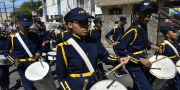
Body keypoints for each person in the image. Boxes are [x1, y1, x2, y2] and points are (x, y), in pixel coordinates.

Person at [56, 7, 129, 90]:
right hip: (75, 86)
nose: (85, 25)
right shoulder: (64, 47)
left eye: (86, 22)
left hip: (95, 83)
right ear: (70, 25)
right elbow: (62, 77)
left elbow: (105, 56)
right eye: (81, 23)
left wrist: (118, 59)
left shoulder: (94, 41)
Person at [115, 1, 161, 90]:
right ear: (137, 14)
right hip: (134, 64)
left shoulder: (143, 25)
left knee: (140, 85)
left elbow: (143, 40)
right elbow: (119, 49)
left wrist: (152, 45)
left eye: (149, 12)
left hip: (141, 61)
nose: (148, 14)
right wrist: (140, 59)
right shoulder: (133, 29)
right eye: (144, 12)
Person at [3, 14, 42, 90]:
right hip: (22, 65)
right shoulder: (13, 37)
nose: (27, 28)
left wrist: (38, 52)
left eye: (28, 26)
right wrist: (14, 60)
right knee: (28, 88)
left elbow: (39, 47)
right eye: (24, 26)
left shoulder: (34, 35)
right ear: (18, 24)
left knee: (38, 86)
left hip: (35, 64)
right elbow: (5, 50)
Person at [156, 25, 180, 89]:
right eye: (173, 32)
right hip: (170, 66)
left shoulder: (175, 42)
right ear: (167, 34)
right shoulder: (163, 44)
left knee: (173, 84)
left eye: (176, 32)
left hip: (177, 65)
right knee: (177, 82)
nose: (176, 33)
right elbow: (157, 57)